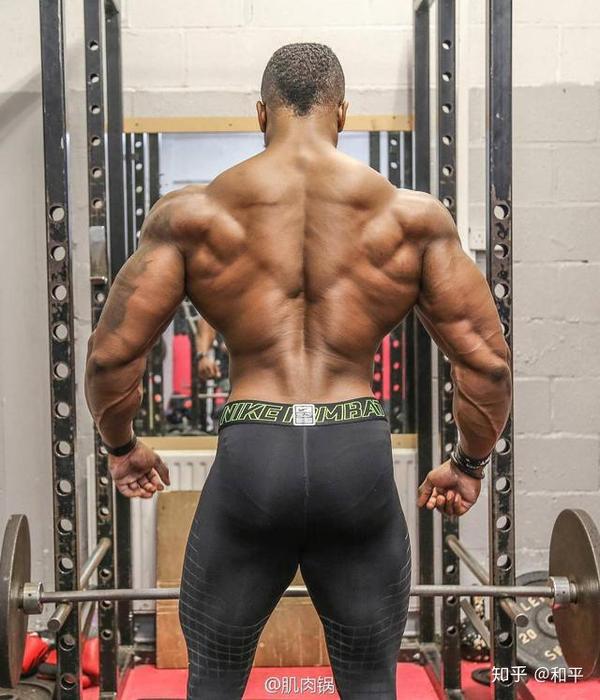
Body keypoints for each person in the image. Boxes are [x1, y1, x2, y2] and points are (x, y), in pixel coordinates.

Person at [85, 43, 512, 700]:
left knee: (214, 681)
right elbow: (487, 366)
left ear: (262, 113)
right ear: (342, 112)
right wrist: (468, 463)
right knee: (370, 684)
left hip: (254, 452)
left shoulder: (192, 215)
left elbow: (110, 357)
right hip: (354, 453)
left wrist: (122, 447)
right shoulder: (411, 218)